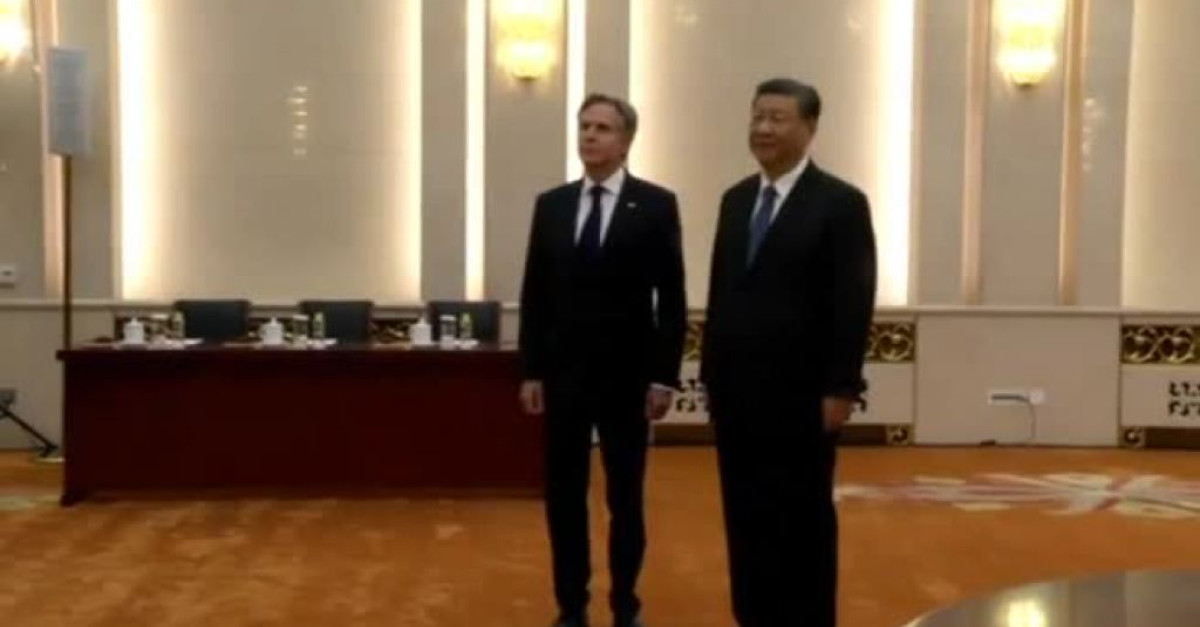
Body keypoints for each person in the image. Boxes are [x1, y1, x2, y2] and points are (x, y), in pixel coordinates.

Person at [700, 78, 877, 626]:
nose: (763, 128)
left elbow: (853, 302)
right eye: (757, 116)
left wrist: (841, 387)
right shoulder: (735, 201)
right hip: (737, 396)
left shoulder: (840, 204)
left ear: (809, 127)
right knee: (744, 515)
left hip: (804, 398)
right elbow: (721, 293)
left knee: (801, 519)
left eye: (777, 118)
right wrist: (711, 377)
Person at [518, 93, 687, 627]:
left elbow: (672, 299)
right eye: (585, 126)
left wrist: (664, 377)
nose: (590, 136)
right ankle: (571, 606)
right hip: (563, 377)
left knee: (625, 499)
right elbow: (535, 293)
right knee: (564, 497)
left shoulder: (655, 205)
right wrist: (531, 370)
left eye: (603, 128)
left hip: (628, 379)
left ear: (626, 140)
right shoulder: (553, 205)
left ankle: (625, 604)